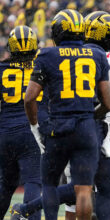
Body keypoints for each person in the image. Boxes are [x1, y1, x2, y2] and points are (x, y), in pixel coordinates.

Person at [10, 11, 110, 220]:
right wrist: (103, 120)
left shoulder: (49, 55)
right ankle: (27, 209)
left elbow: (32, 98)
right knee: (88, 187)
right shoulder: (102, 57)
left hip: (59, 124)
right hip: (90, 127)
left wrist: (39, 126)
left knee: (56, 184)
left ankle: (27, 209)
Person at [0, 26, 43, 220]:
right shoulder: (43, 66)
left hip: (5, 133)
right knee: (34, 181)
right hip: (32, 131)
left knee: (6, 183)